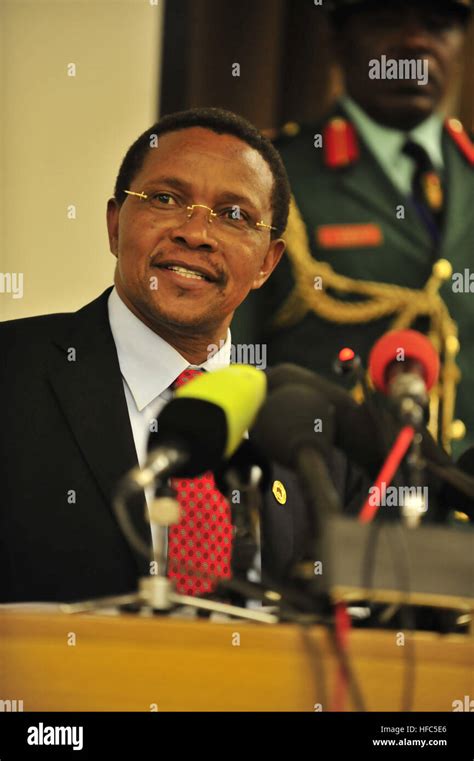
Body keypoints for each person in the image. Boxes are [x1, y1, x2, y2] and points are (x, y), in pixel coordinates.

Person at [0, 107, 367, 604]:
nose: (195, 232)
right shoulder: (14, 373)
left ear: (266, 263)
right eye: (166, 199)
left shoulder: (313, 435)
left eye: (235, 215)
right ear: (114, 225)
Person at [235, 0, 474, 458]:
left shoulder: (467, 174)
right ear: (338, 41)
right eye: (386, 19)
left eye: (438, 22)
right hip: (328, 502)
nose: (415, 41)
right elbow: (238, 356)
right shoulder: (273, 172)